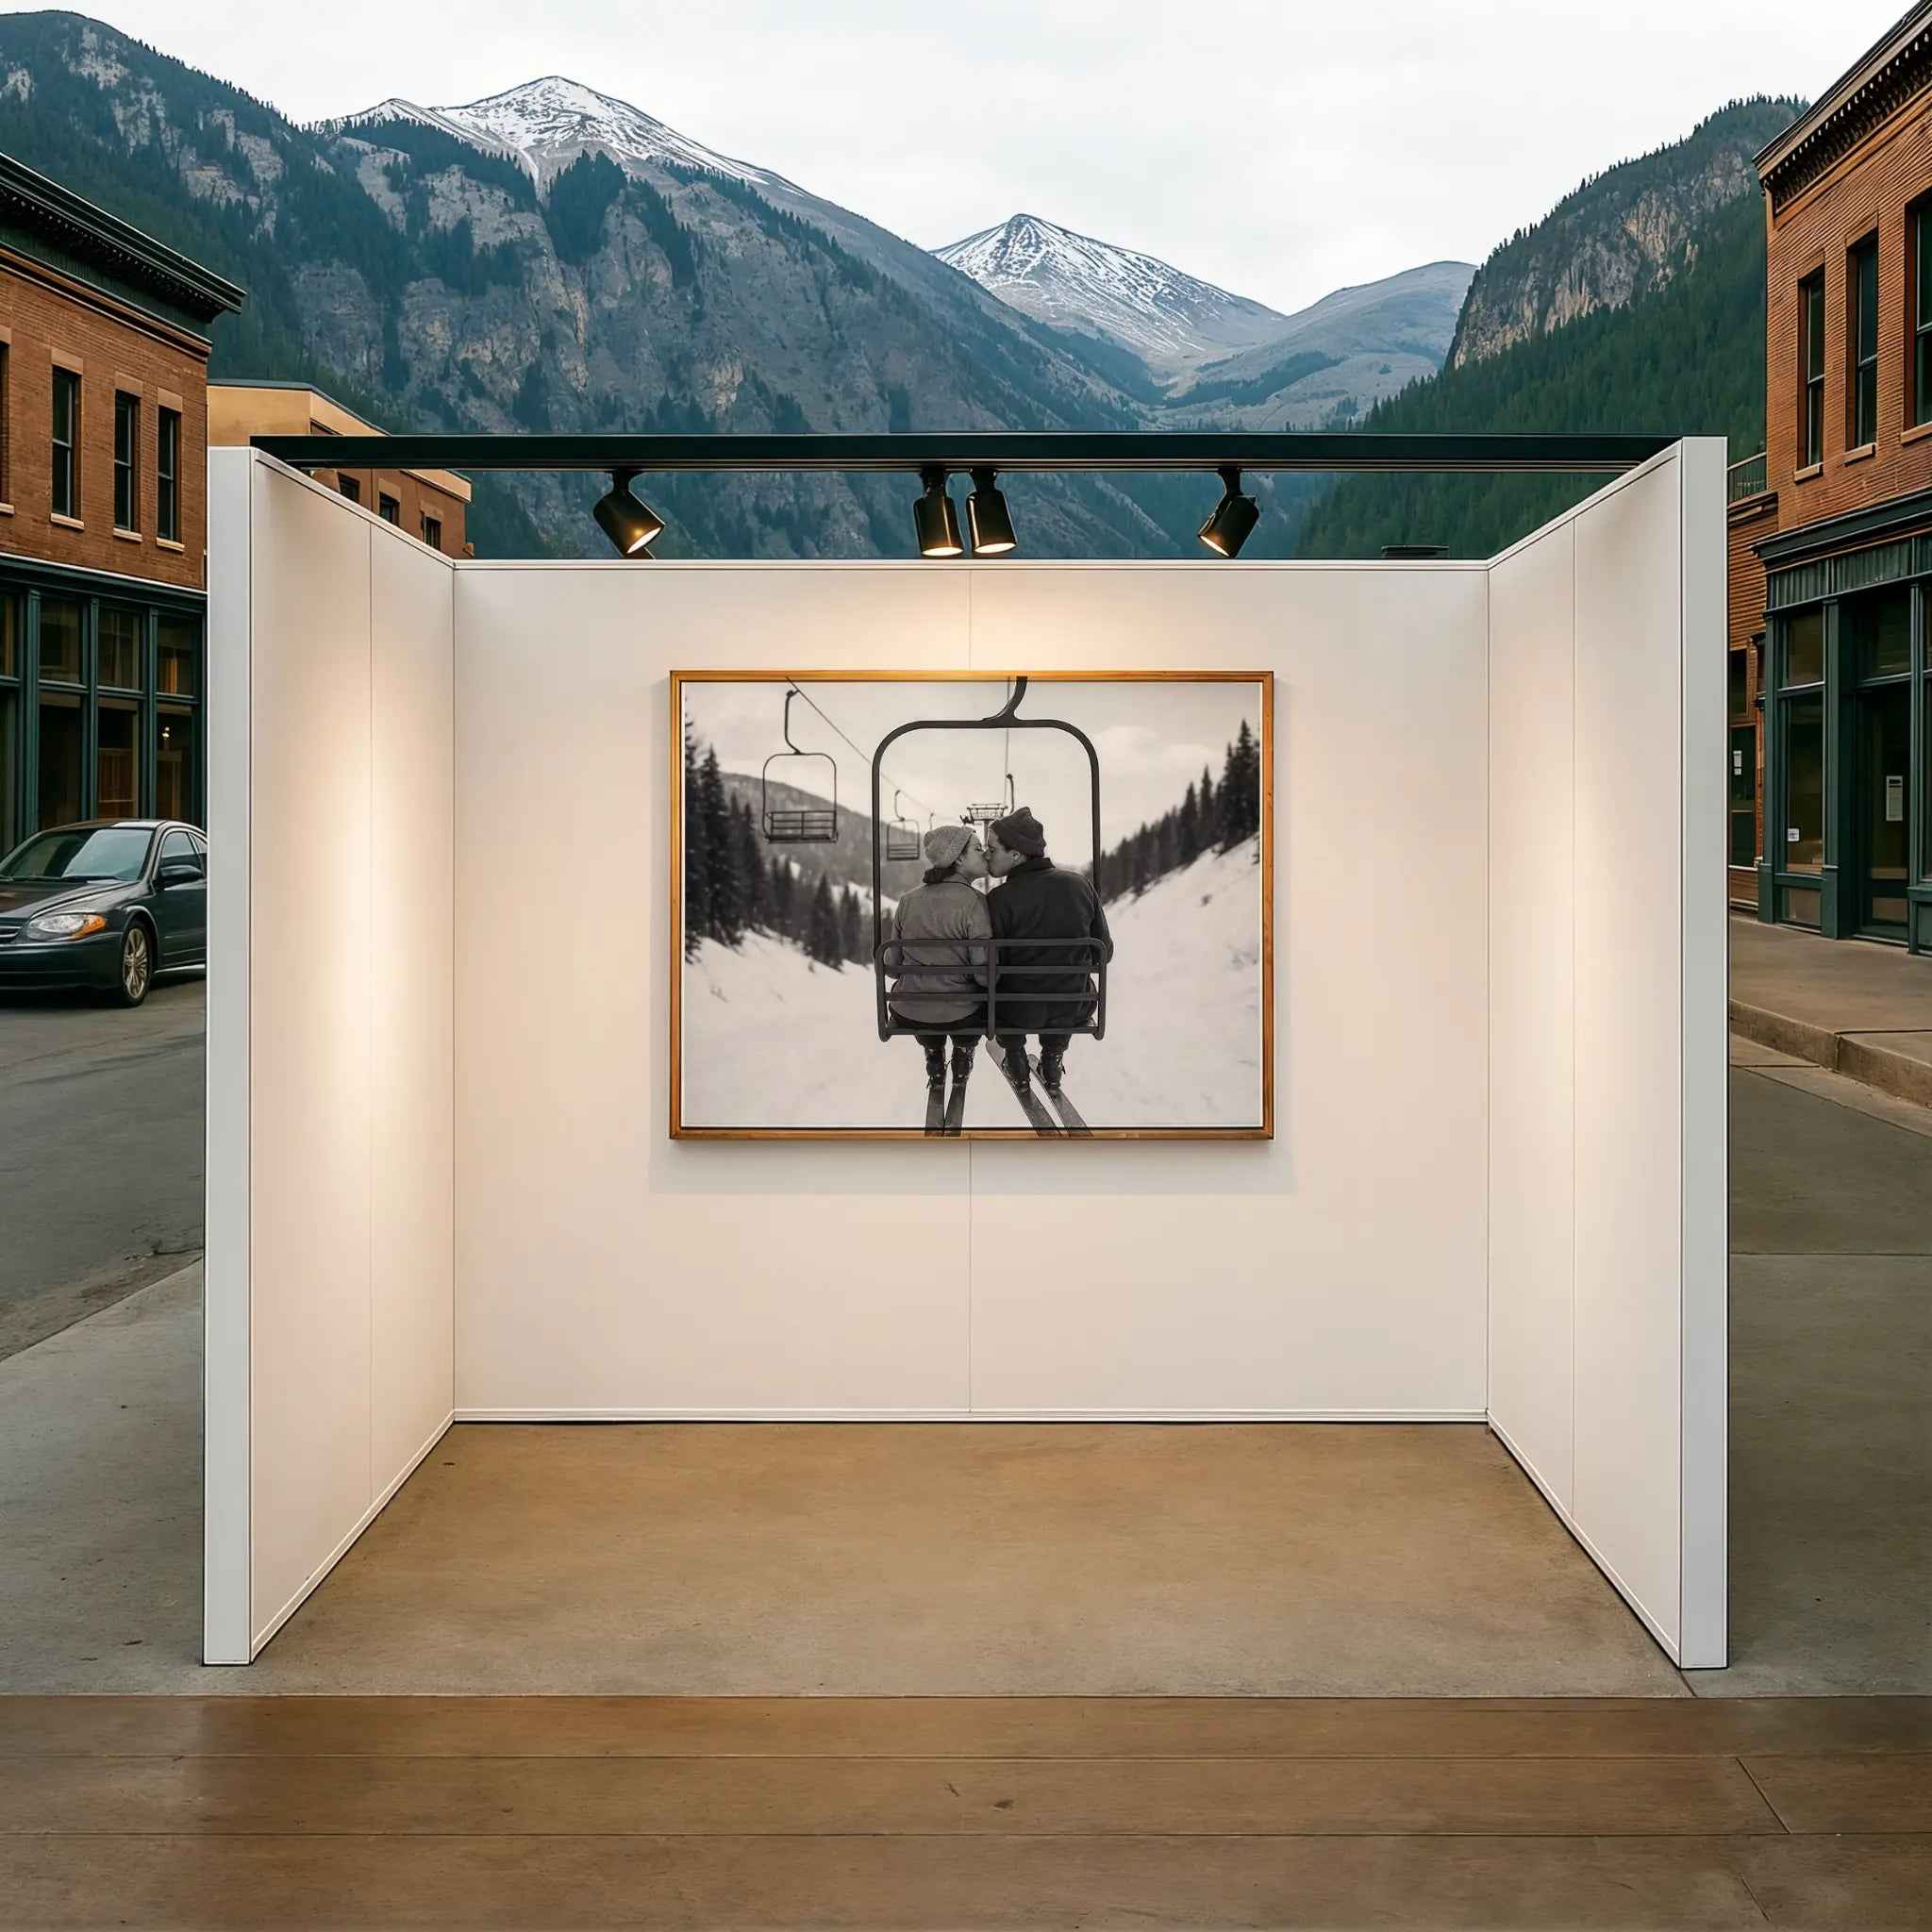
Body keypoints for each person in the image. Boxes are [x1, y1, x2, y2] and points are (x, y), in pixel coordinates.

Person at [984, 806, 1111, 1095]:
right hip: (1074, 1008)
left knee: (1000, 987)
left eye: (992, 849)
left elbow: (991, 964)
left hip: (1016, 1012)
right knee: (1062, 985)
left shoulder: (999, 900)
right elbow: (1104, 952)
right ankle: (1052, 1058)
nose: (986, 855)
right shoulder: (1080, 885)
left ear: (1016, 854)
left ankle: (1015, 1058)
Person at [888, 824, 992, 1092]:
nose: (985, 855)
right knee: (979, 1006)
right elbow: (984, 974)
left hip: (910, 1012)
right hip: (961, 1015)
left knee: (926, 1008)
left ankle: (933, 1052)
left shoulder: (907, 901)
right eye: (978, 849)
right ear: (958, 858)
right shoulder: (976, 903)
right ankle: (964, 1052)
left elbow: (892, 967)